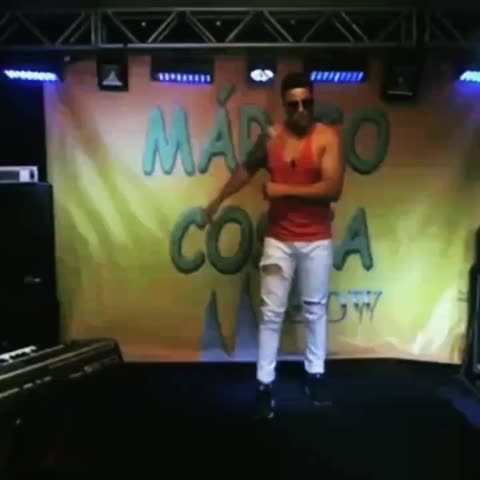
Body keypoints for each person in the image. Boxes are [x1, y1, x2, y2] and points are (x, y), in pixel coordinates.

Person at [203, 72, 345, 419]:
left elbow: (332, 189)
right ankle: (264, 384)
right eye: (294, 104)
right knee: (270, 315)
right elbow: (245, 170)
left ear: (313, 101)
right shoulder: (271, 139)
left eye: (307, 102)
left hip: (316, 239)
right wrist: (218, 199)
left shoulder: (327, 137)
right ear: (285, 106)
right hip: (279, 238)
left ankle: (316, 375)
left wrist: (282, 190)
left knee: (315, 309)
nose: (301, 110)